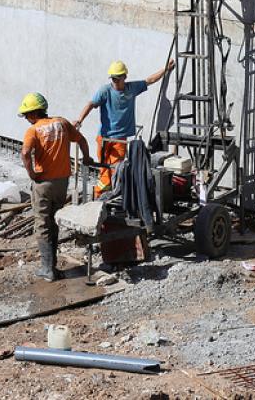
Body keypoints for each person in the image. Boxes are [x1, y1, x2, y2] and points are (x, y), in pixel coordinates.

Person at [74, 59, 175, 197]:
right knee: (105, 170)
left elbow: (150, 80)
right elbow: (91, 104)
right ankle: (103, 196)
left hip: (120, 139)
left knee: (115, 169)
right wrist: (80, 120)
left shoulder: (132, 88)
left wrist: (166, 69)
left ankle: (101, 196)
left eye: (117, 78)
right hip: (104, 138)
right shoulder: (105, 91)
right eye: (113, 79)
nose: (115, 81)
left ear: (124, 77)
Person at [19, 92, 93, 282]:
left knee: (43, 224)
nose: (27, 119)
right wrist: (86, 158)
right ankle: (51, 265)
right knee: (54, 220)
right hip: (62, 182)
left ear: (34, 113)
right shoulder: (62, 123)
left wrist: (32, 174)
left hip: (43, 183)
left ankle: (47, 268)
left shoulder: (34, 130)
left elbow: (26, 153)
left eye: (27, 115)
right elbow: (82, 141)